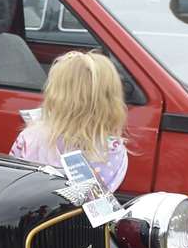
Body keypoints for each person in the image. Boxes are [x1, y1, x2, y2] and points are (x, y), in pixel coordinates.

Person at [9, 51, 129, 191]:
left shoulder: (29, 138)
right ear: (111, 98)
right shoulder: (111, 149)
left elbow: (12, 179)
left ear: (54, 94)